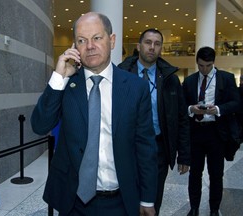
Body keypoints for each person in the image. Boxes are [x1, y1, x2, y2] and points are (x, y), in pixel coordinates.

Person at [31, 12, 158, 216]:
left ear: (112, 40)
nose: (90, 46)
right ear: (75, 47)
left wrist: (147, 197)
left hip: (121, 201)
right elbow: (39, 125)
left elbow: (145, 146)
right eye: (82, 40)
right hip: (73, 201)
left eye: (97, 38)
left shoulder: (135, 88)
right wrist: (58, 77)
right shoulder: (67, 84)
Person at [118, 28, 191, 215]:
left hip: (158, 148)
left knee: (153, 200)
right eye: (148, 42)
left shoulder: (170, 80)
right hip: (127, 147)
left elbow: (181, 118)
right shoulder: (120, 75)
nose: (152, 47)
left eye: (157, 44)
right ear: (138, 46)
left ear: (161, 49)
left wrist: (184, 154)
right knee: (126, 199)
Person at [182, 46, 240, 216]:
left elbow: (236, 103)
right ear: (197, 63)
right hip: (196, 133)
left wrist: (218, 109)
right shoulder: (190, 81)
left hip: (216, 133)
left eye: (208, 65)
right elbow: (181, 106)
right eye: (201, 65)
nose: (204, 69)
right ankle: (194, 208)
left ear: (214, 62)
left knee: (216, 174)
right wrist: (191, 109)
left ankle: (214, 209)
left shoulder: (226, 78)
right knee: (195, 174)